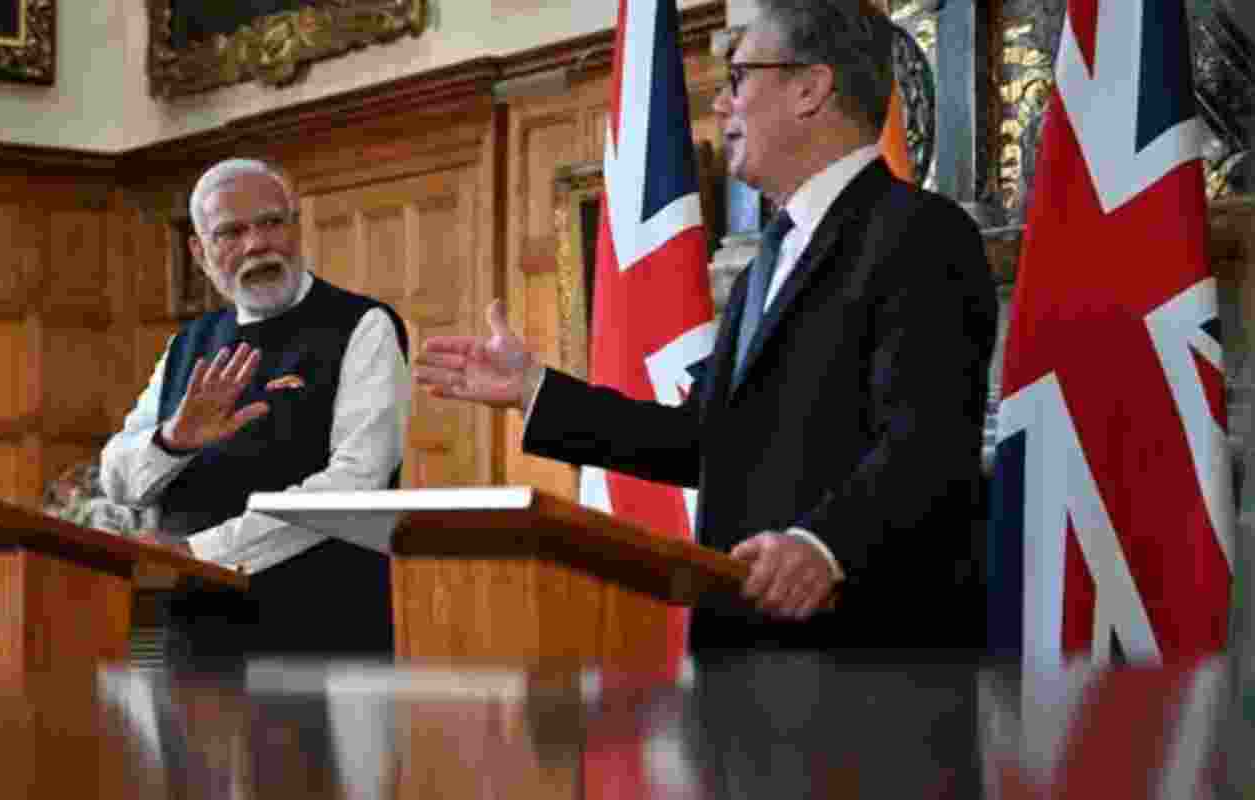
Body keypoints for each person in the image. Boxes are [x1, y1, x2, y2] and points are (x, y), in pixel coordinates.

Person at [416, 0, 997, 652]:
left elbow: (928, 442)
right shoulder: (765, 265)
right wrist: (535, 391)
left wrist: (825, 545)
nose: (721, 105)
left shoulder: (922, 235)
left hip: (866, 654)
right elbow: (705, 439)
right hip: (747, 646)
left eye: (738, 78)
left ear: (810, 88)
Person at [100, 158, 411, 667]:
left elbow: (356, 482)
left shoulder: (362, 325)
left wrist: (203, 552)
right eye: (231, 232)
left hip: (324, 632)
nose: (256, 245)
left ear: (296, 226)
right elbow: (117, 479)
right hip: (197, 631)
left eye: (271, 222)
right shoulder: (188, 344)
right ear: (199, 252)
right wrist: (172, 441)